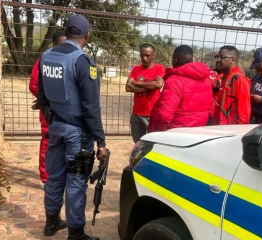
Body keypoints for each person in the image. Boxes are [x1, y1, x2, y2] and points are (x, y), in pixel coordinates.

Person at [37, 14, 108, 240]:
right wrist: (101, 142)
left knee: (55, 176)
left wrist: (50, 115)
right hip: (77, 134)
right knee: (76, 181)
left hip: (55, 128)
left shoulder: (47, 56)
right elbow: (91, 107)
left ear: (66, 32)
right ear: (86, 36)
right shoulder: (83, 61)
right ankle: (76, 233)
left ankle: (52, 222)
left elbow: (41, 94)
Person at [148, 45, 214, 132]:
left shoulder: (174, 80)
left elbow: (164, 115)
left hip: (176, 133)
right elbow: (211, 108)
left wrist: (155, 133)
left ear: (175, 61)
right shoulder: (205, 79)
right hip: (198, 132)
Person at [29, 31, 66, 189]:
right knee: (48, 142)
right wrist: (47, 101)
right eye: (61, 44)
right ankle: (45, 177)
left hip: (67, 112)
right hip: (49, 111)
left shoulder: (71, 61)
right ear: (54, 44)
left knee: (66, 142)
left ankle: (60, 173)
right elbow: (34, 86)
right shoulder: (43, 61)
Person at [125, 42, 165, 143]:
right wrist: (150, 86)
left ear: (153, 55)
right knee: (138, 143)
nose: (145, 58)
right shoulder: (136, 69)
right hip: (137, 114)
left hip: (152, 114)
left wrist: (137, 83)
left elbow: (158, 85)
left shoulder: (159, 68)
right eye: (142, 55)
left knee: (153, 143)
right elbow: (128, 87)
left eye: (148, 55)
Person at [213, 45, 251, 125]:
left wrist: (240, 132)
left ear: (232, 60)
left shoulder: (239, 79)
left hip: (230, 130)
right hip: (219, 127)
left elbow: (244, 111)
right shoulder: (223, 77)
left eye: (222, 57)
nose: (218, 60)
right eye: (217, 57)